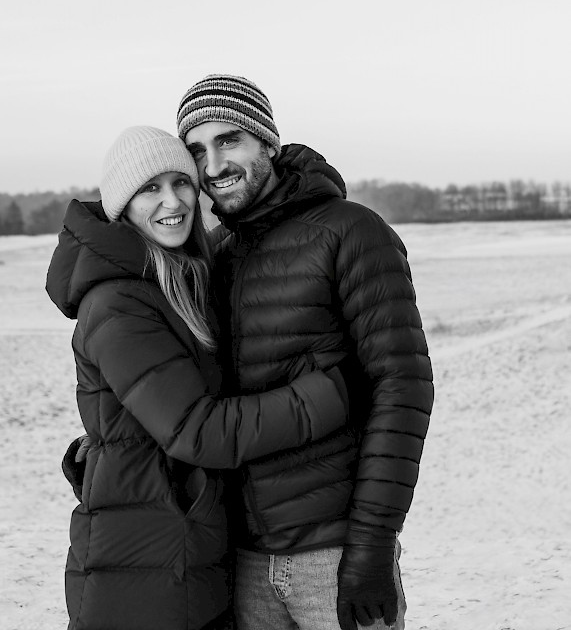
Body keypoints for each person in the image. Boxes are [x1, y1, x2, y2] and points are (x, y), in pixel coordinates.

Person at [46, 125, 352, 630]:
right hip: (145, 569)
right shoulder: (118, 302)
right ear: (122, 205)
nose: (172, 201)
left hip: (178, 549)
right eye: (149, 188)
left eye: (181, 182)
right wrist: (330, 395)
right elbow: (197, 429)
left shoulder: (175, 278)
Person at [176, 75, 435, 630]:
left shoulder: (351, 232)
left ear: (267, 143)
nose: (213, 165)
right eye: (197, 150)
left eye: (229, 140)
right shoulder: (215, 256)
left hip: (333, 557)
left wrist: (372, 543)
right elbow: (188, 392)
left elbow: (402, 390)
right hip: (242, 562)